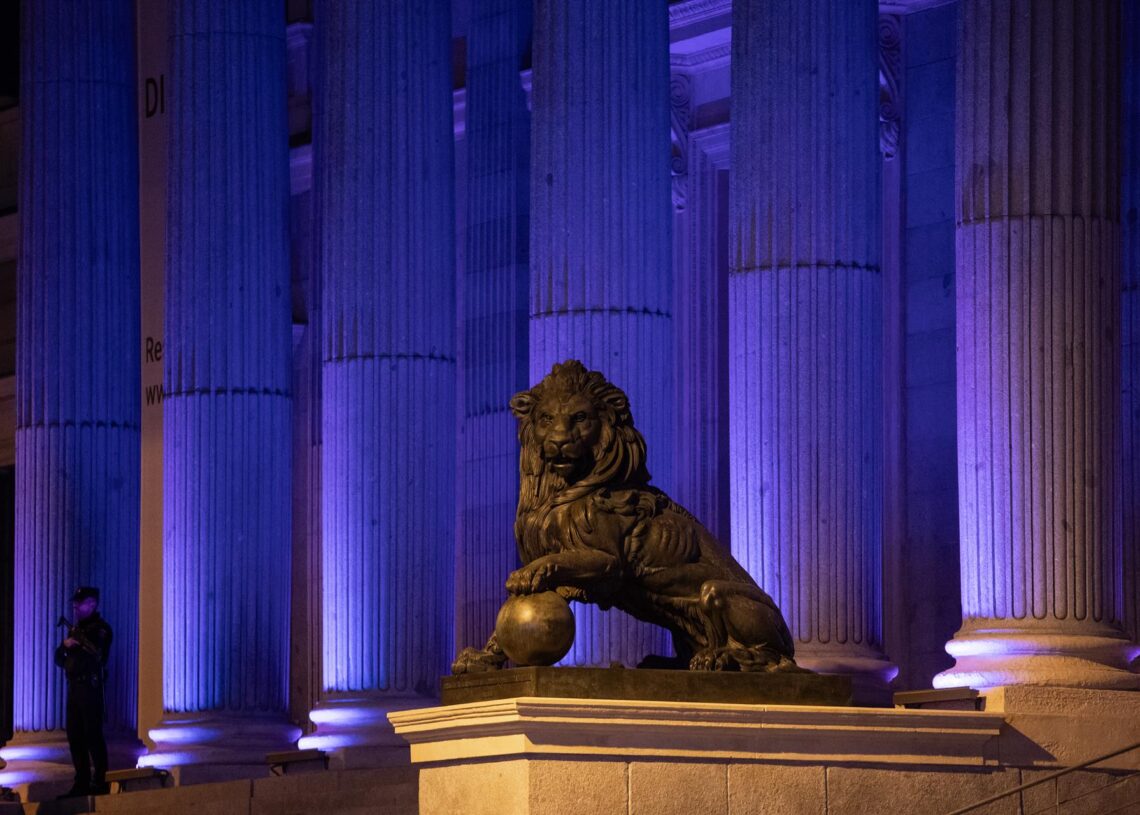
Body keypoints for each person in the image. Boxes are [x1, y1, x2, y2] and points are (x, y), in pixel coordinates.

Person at [54, 586, 112, 797]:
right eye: (75, 603)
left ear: (93, 604)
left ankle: (100, 781)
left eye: (81, 602)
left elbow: (97, 655)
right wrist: (65, 645)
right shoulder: (74, 631)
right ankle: (82, 782)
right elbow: (59, 659)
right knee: (75, 736)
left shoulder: (101, 629)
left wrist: (75, 645)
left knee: (92, 735)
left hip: (90, 687)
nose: (76, 606)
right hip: (75, 688)